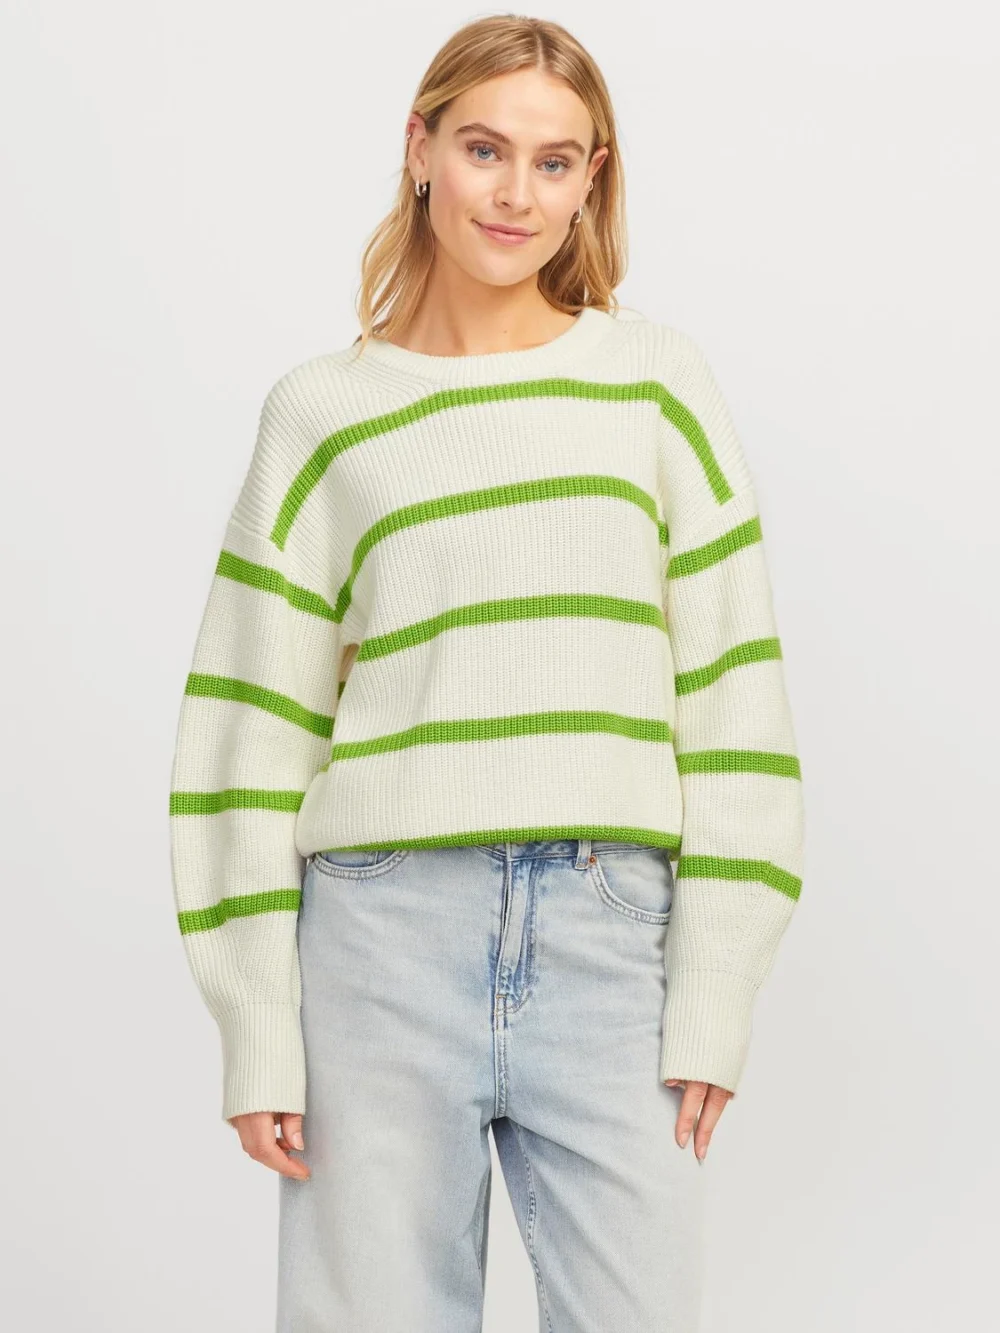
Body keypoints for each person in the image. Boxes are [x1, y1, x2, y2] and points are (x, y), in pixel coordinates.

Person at [167, 14, 804, 1330]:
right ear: (419, 149)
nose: (517, 193)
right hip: (380, 940)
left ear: (591, 179)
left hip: (611, 931)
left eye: (555, 162)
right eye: (483, 149)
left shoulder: (655, 385)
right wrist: (258, 1020)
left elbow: (734, 698)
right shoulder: (323, 413)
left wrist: (717, 987)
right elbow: (251, 727)